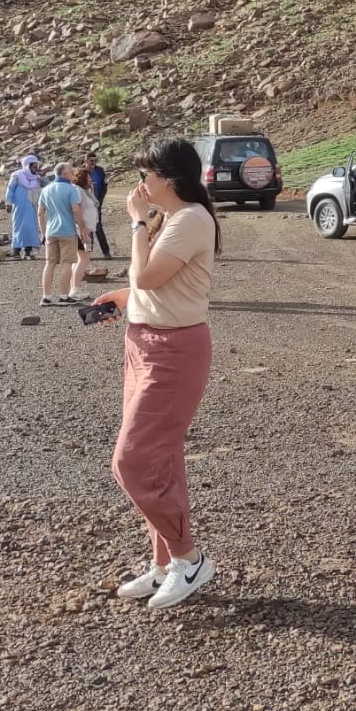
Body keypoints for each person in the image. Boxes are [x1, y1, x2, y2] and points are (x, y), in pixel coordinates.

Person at [102, 135, 221, 613]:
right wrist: (124, 300)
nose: (140, 185)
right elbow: (152, 286)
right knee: (160, 461)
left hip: (173, 351)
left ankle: (189, 559)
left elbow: (147, 275)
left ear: (167, 179)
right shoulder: (171, 218)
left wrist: (135, 222)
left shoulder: (190, 219)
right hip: (144, 343)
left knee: (131, 461)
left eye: (145, 175)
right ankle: (165, 563)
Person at [36, 163, 89, 307]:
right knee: (67, 263)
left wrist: (43, 232)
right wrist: (83, 229)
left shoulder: (46, 190)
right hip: (67, 231)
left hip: (50, 232)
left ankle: (46, 297)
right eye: (71, 172)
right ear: (64, 173)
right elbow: (76, 210)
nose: (73, 174)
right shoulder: (71, 189)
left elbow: (40, 213)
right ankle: (63, 296)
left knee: (50, 263)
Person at [5, 156, 44, 260]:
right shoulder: (17, 175)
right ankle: (16, 252)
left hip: (32, 206)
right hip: (20, 206)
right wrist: (8, 203)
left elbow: (47, 185)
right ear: (27, 165)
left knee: (31, 228)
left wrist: (43, 177)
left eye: (36, 166)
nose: (36, 168)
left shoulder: (37, 177)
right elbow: (10, 189)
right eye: (34, 166)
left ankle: (28, 252)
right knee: (19, 227)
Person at [85, 152, 112, 257]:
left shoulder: (100, 171)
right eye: (91, 160)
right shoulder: (81, 171)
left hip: (97, 203)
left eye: (95, 160)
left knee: (98, 226)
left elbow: (104, 186)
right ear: (86, 160)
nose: (93, 162)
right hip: (85, 204)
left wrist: (100, 201)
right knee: (87, 227)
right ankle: (88, 252)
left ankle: (106, 252)